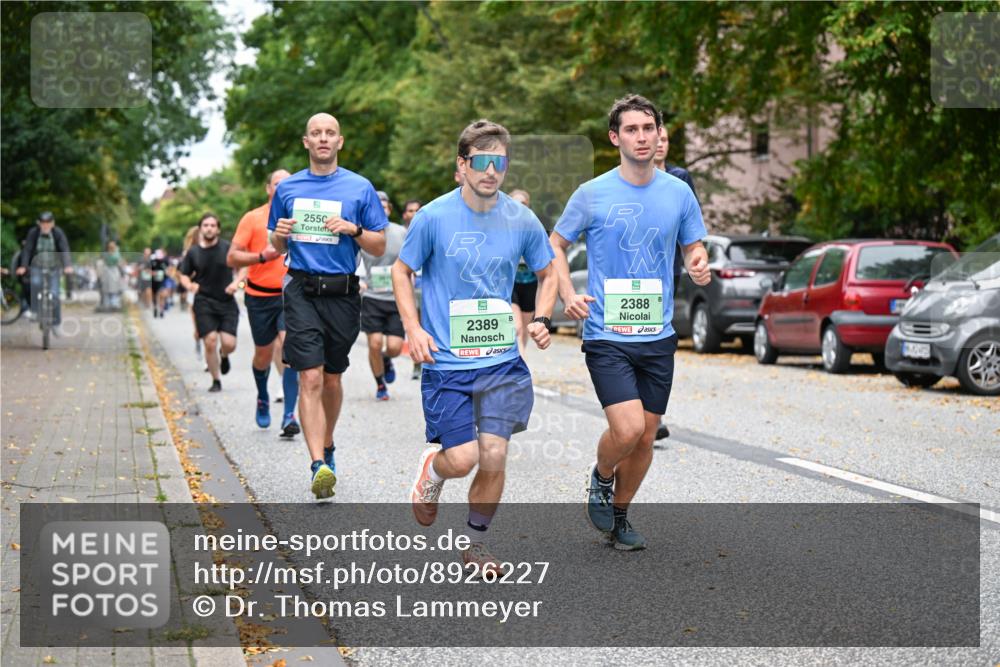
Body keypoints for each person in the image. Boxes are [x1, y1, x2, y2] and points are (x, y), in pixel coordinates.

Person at [394, 119, 557, 572]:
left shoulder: (521, 218)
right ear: (462, 165)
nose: (491, 171)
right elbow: (400, 272)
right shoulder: (432, 217)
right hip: (447, 362)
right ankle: (433, 470)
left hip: (502, 361)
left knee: (495, 454)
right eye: (481, 162)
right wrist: (413, 326)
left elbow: (548, 273)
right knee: (462, 458)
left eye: (499, 162)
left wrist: (542, 317)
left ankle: (475, 544)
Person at [550, 94, 711, 550]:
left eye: (649, 128)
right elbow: (555, 243)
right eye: (632, 129)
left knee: (643, 440)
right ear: (615, 137)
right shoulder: (593, 193)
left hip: (657, 334)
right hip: (607, 332)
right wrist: (566, 293)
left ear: (660, 134)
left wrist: (699, 262)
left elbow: (693, 246)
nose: (642, 137)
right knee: (628, 429)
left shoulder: (678, 192)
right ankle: (601, 477)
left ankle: (619, 518)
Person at [269, 112, 388, 500]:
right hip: (301, 289)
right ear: (306, 142)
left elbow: (379, 245)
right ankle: (317, 463)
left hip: (343, 293)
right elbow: (277, 244)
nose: (323, 139)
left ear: (340, 141)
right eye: (316, 133)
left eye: (330, 133)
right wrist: (281, 235)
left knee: (333, 379)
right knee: (311, 376)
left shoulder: (359, 188)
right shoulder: (288, 189)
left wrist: (353, 230)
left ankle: (329, 442)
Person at [227, 168, 302, 437]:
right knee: (263, 354)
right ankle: (262, 396)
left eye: (288, 184)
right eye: (277, 184)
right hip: (259, 296)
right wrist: (261, 256)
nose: (282, 188)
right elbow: (232, 258)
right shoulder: (253, 218)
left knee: (290, 352)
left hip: (291, 295)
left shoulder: (301, 216)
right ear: (268, 188)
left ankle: (289, 415)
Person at [652, 123, 700, 442]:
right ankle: (636, 413)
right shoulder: (626, 182)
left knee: (659, 337)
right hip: (635, 274)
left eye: (665, 139)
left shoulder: (679, 179)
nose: (659, 144)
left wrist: (696, 256)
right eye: (656, 139)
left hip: (668, 272)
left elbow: (690, 225)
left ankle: (653, 416)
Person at [178, 213, 241, 393]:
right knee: (210, 341)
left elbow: (244, 267)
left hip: (226, 302)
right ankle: (216, 380)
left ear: (218, 229)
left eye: (213, 225)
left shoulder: (228, 248)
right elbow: (183, 274)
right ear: (201, 229)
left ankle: (224, 355)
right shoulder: (194, 252)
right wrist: (189, 285)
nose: (209, 228)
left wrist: (237, 283)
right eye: (205, 225)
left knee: (229, 344)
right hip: (204, 301)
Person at [359, 191, 408, 401]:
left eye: (385, 206)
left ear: (388, 210)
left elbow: (410, 260)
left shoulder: (401, 232)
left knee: (395, 347)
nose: (381, 209)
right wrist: (358, 280)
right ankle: (380, 384)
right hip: (371, 296)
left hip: (395, 298)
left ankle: (387, 359)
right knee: (375, 343)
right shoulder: (363, 234)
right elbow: (353, 260)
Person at [17, 211, 73, 329]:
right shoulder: (33, 233)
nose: (45, 225)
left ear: (53, 223)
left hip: (54, 266)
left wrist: (67, 265)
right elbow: (27, 250)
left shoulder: (58, 233)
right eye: (43, 223)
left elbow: (64, 249)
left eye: (48, 223)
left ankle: (56, 323)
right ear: (39, 223)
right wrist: (23, 266)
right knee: (34, 283)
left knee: (55, 293)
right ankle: (36, 310)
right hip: (37, 265)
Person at [508, 189, 540, 352]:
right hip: (510, 283)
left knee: (525, 329)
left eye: (523, 204)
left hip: (529, 282)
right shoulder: (501, 228)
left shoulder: (534, 229)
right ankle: (519, 367)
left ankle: (520, 355)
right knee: (517, 326)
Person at [400, 199, 424, 380]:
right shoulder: (401, 234)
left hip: (427, 286)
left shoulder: (430, 229)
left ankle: (425, 363)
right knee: (413, 326)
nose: (414, 213)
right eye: (410, 210)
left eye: (418, 210)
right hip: (407, 286)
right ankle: (417, 362)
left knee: (428, 326)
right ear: (405, 214)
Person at [150, 248, 169, 317]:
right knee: (154, 295)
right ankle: (155, 307)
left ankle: (161, 310)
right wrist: (153, 273)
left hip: (162, 281)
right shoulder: (152, 262)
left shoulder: (165, 262)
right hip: (154, 281)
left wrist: (167, 272)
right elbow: (148, 271)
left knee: (162, 295)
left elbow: (169, 270)